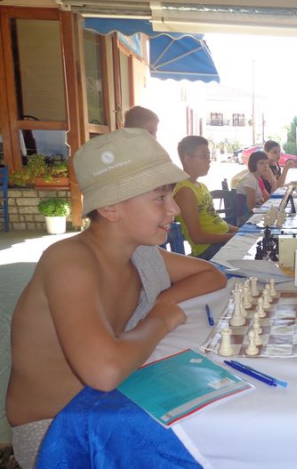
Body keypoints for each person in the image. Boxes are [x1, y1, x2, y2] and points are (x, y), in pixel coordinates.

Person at [5, 128, 227, 469]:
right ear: (110, 207)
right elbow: (105, 372)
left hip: (117, 402)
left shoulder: (139, 253)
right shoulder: (69, 261)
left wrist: (162, 303)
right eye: (160, 197)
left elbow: (212, 276)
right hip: (58, 429)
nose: (175, 209)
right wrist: (161, 318)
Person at [173, 135, 239, 261]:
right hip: (209, 250)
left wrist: (238, 230)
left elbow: (215, 220)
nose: (209, 161)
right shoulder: (185, 191)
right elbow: (197, 237)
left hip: (222, 240)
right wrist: (233, 237)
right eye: (204, 156)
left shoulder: (201, 186)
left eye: (209, 156)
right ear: (187, 159)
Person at [236, 150, 270, 225]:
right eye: (261, 163)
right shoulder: (250, 179)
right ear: (253, 164)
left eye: (267, 163)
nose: (265, 166)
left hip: (252, 213)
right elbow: (251, 207)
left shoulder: (257, 178)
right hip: (245, 217)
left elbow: (266, 198)